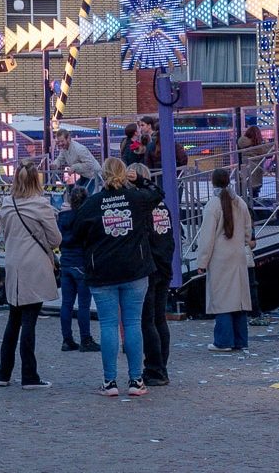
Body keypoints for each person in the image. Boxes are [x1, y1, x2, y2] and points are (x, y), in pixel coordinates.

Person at [71, 156, 161, 396]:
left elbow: (76, 231)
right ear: (124, 174)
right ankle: (135, 380)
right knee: (133, 324)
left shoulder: (93, 203)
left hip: (102, 271)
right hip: (134, 268)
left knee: (109, 325)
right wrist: (141, 180)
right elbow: (157, 193)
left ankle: (110, 382)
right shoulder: (135, 199)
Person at [0, 162, 61, 388]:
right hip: (34, 265)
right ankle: (29, 375)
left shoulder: (6, 204)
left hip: (13, 264)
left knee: (13, 320)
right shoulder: (41, 205)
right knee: (29, 321)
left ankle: (3, 373)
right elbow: (55, 239)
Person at [196, 166, 254, 354]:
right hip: (237, 255)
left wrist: (201, 263)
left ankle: (223, 341)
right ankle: (240, 340)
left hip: (219, 258)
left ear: (213, 182)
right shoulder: (240, 203)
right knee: (238, 299)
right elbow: (247, 230)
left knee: (222, 300)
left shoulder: (212, 205)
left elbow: (207, 238)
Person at [139, 165, 175, 384]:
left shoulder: (143, 207)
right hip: (164, 264)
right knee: (160, 318)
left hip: (150, 266)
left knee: (147, 320)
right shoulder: (163, 207)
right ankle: (162, 365)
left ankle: (154, 367)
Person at [57, 185, 97, 352]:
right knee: (83, 305)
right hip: (81, 263)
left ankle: (67, 339)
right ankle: (85, 339)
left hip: (65, 262)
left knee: (66, 303)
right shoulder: (85, 217)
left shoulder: (62, 217)